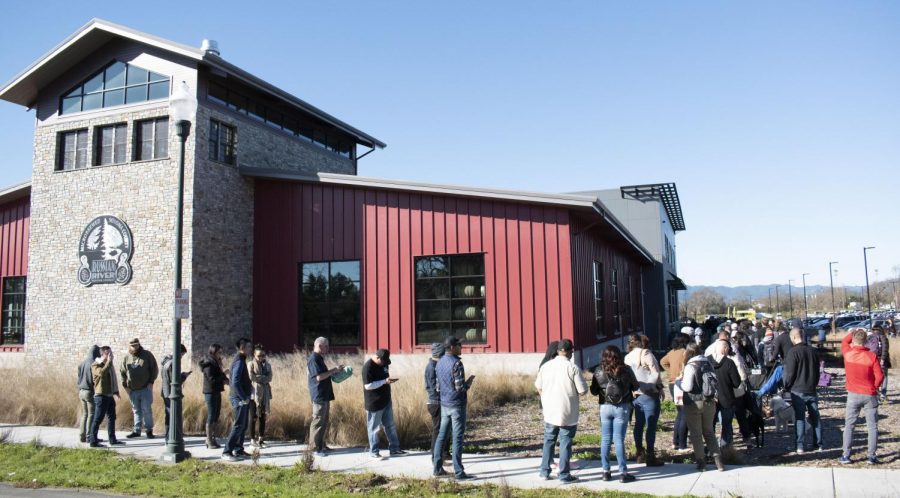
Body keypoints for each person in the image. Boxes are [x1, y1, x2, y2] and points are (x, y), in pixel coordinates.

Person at [534, 339, 588, 483]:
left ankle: (544, 471)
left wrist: (545, 398)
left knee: (549, 441)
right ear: (570, 351)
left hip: (550, 411)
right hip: (567, 412)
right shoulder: (572, 368)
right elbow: (583, 391)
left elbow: (538, 386)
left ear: (558, 350)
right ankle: (564, 474)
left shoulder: (546, 366)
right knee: (565, 443)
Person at [591, 345, 640, 483]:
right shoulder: (626, 370)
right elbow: (636, 386)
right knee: (618, 439)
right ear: (619, 355)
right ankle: (623, 473)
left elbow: (594, 391)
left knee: (605, 439)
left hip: (605, 407)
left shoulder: (599, 370)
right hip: (622, 407)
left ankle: (606, 471)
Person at [432, 336, 476, 480]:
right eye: (459, 345)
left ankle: (437, 468)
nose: (461, 347)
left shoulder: (439, 363)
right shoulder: (457, 364)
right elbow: (459, 388)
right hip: (457, 405)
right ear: (452, 347)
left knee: (441, 436)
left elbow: (438, 387)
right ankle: (459, 472)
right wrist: (468, 382)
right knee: (457, 438)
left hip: (445, 404)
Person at [839, 328, 885, 465]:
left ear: (854, 340)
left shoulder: (848, 354)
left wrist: (852, 333)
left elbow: (844, 341)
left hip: (853, 393)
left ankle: (846, 455)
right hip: (869, 393)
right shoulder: (871, 356)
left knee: (849, 425)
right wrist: (875, 386)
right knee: (872, 426)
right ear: (866, 341)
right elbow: (880, 376)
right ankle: (871, 456)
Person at [680, 342, 724, 472]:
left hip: (694, 402)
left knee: (696, 434)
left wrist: (679, 382)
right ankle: (718, 461)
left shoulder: (690, 366)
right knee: (709, 432)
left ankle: (701, 462)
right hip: (709, 401)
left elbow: (687, 387)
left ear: (689, 353)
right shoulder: (708, 363)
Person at [624, 334, 665, 467]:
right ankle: (651, 456)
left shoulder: (627, 357)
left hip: (635, 394)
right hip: (649, 394)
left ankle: (639, 453)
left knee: (638, 424)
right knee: (651, 426)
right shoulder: (646, 353)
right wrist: (655, 387)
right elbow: (655, 372)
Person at [782, 328, 822, 453]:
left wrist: (786, 386)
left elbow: (790, 373)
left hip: (797, 389)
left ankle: (800, 445)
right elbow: (817, 371)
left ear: (793, 338)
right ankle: (819, 444)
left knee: (800, 418)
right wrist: (814, 384)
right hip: (811, 388)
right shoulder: (814, 351)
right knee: (815, 417)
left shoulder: (792, 352)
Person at [362, 348, 406, 459]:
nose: (385, 364)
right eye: (383, 361)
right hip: (374, 403)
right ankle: (374, 452)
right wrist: (384, 382)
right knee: (374, 428)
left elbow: (385, 376)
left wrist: (388, 381)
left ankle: (395, 449)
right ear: (377, 357)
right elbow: (368, 386)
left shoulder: (384, 364)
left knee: (390, 426)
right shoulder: (368, 367)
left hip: (386, 401)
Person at [307, 336, 344, 457]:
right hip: (319, 395)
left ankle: (321, 445)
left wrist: (336, 373)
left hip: (325, 394)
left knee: (324, 421)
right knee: (318, 421)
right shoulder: (313, 359)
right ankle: (314, 449)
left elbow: (324, 375)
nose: (328, 348)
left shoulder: (319, 358)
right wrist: (333, 370)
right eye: (326, 346)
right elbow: (318, 377)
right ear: (319, 345)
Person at [120, 338, 159, 439]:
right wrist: (125, 386)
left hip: (145, 388)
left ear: (139, 345)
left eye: (136, 345)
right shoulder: (127, 357)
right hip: (133, 390)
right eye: (132, 345)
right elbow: (122, 373)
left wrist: (151, 382)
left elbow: (154, 368)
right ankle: (136, 430)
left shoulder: (147, 355)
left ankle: (149, 430)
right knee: (136, 410)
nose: (134, 347)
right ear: (129, 346)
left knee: (146, 410)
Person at [222, 338, 253, 461]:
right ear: (242, 348)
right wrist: (244, 397)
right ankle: (227, 451)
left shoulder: (241, 359)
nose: (250, 349)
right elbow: (234, 381)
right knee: (239, 425)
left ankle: (238, 449)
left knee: (243, 425)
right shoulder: (239, 361)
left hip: (242, 397)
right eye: (249, 347)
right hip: (239, 398)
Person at [89, 346, 124, 448]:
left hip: (109, 395)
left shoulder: (109, 365)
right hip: (100, 396)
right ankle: (93, 441)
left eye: (111, 353)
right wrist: (109, 362)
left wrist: (116, 391)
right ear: (102, 354)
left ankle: (112, 439)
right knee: (98, 419)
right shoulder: (95, 365)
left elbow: (113, 378)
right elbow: (101, 373)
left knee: (112, 417)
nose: (110, 356)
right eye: (108, 353)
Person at [661, 334, 690, 453]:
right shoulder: (685, 352)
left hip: (672, 384)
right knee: (685, 414)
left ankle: (675, 442)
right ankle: (682, 444)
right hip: (681, 384)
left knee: (680, 413)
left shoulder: (672, 352)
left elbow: (662, 362)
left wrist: (671, 371)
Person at [709, 340, 741, 448]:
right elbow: (737, 383)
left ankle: (711, 448)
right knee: (726, 424)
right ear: (725, 349)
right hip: (727, 397)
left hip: (710, 398)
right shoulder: (729, 363)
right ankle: (725, 448)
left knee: (710, 424)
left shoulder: (706, 361)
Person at [425, 342, 450, 464]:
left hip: (440, 401)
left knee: (444, 428)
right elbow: (435, 387)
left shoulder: (437, 365)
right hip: (436, 402)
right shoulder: (432, 367)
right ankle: (435, 457)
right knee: (438, 430)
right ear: (440, 353)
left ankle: (444, 453)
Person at [200, 343, 227, 449]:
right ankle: (209, 439)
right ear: (213, 352)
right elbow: (212, 379)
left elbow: (219, 376)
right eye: (219, 352)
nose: (221, 354)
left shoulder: (216, 362)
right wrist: (223, 374)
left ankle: (213, 438)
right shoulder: (208, 363)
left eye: (221, 352)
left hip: (217, 390)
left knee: (216, 414)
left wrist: (225, 378)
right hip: (210, 392)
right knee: (211, 415)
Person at [160, 344, 190, 438]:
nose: (181, 357)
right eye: (182, 355)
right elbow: (175, 381)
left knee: (169, 414)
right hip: (171, 393)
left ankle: (169, 435)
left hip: (165, 391)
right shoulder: (173, 363)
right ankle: (170, 436)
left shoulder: (166, 362)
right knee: (172, 414)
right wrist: (184, 376)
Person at [248, 345, 273, 448]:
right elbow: (251, 377)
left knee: (263, 417)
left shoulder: (267, 365)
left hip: (265, 393)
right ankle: (252, 439)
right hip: (254, 394)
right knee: (253, 416)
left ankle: (261, 439)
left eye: (263, 355)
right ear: (254, 355)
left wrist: (260, 378)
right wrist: (263, 378)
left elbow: (270, 377)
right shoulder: (251, 364)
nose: (261, 357)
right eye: (259, 355)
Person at [77, 345, 100, 443]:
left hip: (81, 391)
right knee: (91, 414)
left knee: (84, 414)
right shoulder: (93, 364)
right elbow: (94, 379)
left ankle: (82, 436)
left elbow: (79, 377)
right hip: (89, 391)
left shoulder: (82, 363)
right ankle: (89, 436)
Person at [868, 327, 891, 402]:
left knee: (874, 377)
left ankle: (876, 394)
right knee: (884, 377)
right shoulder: (883, 337)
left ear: (873, 330)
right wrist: (883, 359)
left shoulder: (869, 337)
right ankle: (883, 394)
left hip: (872, 360)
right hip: (882, 360)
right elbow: (885, 349)